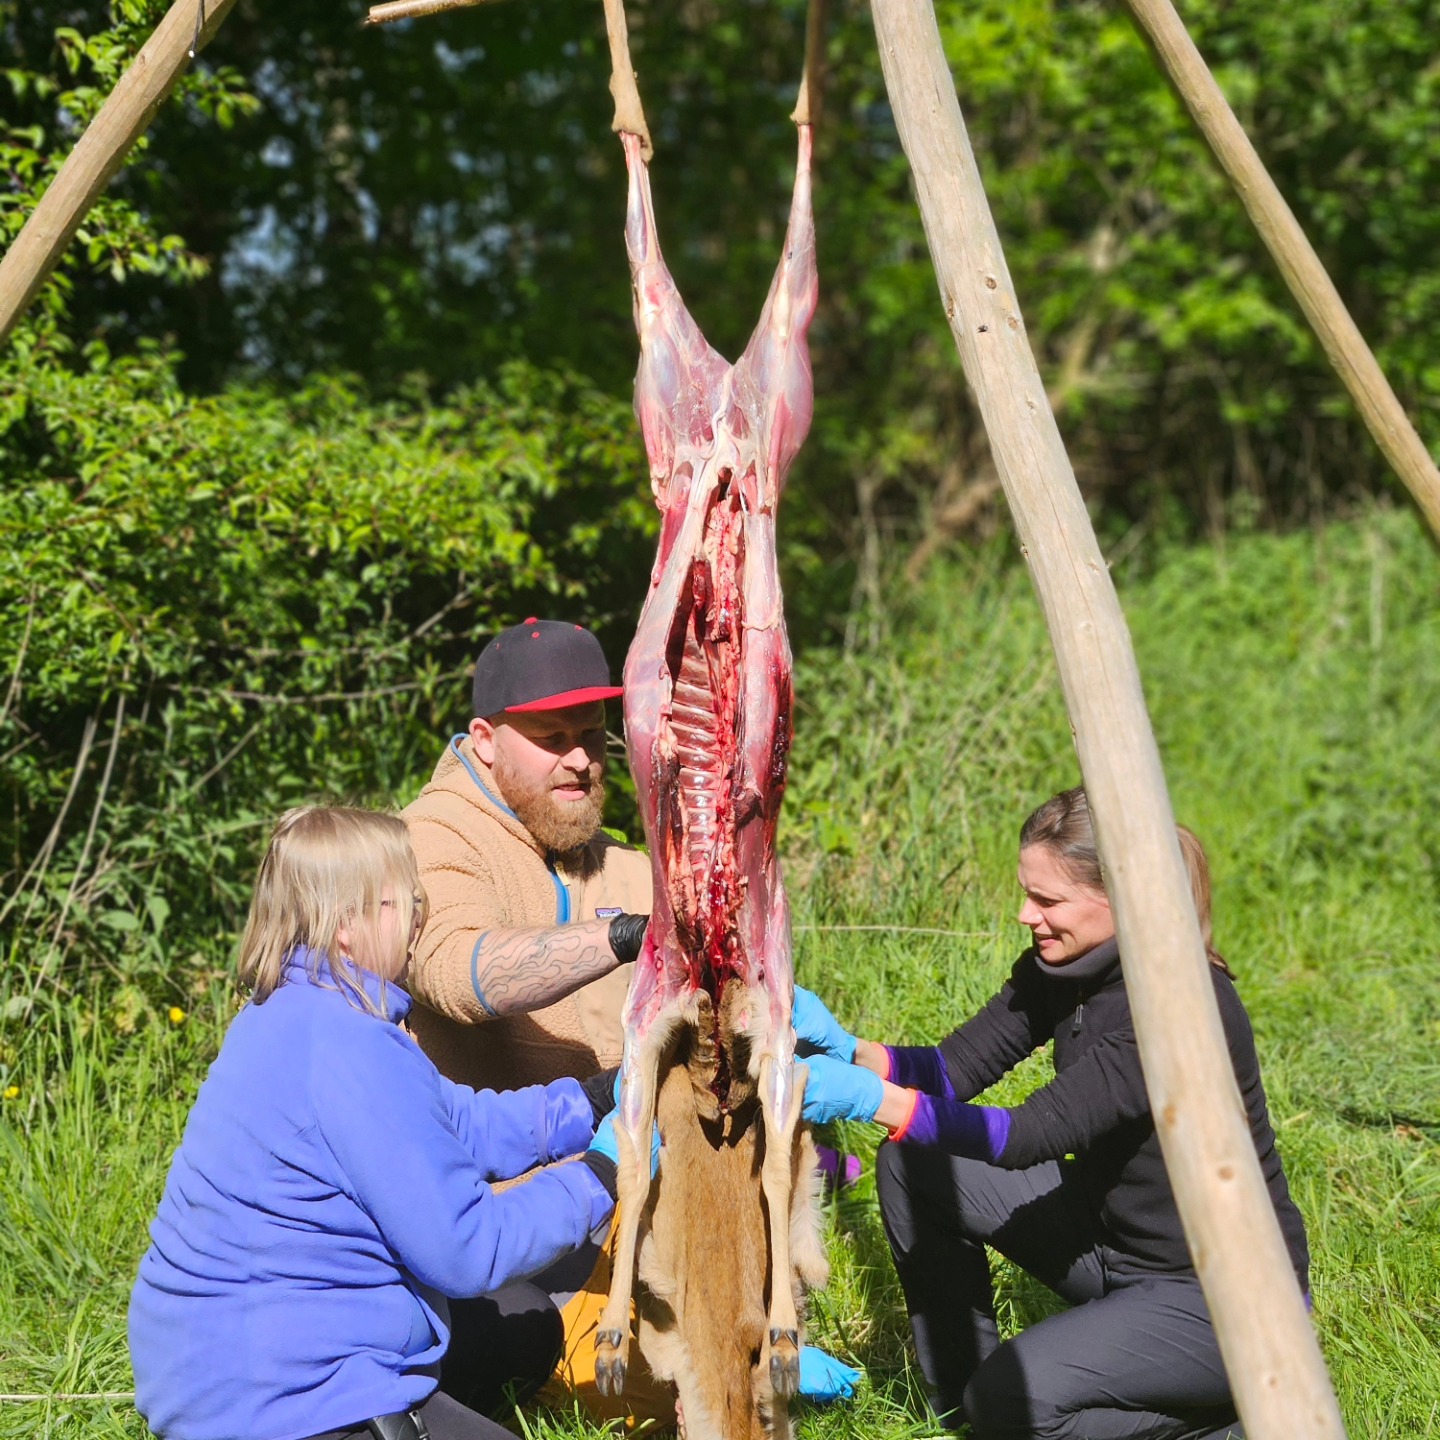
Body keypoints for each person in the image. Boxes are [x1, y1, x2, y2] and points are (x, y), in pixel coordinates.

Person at [794, 787, 1309, 1440]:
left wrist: (873, 1100)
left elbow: (1026, 1136)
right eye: (1026, 893)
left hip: (1225, 1300)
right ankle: (966, 1413)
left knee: (1018, 1397)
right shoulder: (1069, 967)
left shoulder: (1180, 1009)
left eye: (1046, 900)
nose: (1024, 914)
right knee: (913, 1161)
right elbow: (951, 1071)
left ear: (1120, 899)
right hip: (1113, 1245)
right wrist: (849, 1050)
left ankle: (1220, 1423)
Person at [128, 807, 629, 1440]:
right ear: (346, 927)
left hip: (204, 1366)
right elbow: (471, 1249)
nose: (422, 911)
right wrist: (605, 1175)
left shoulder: (288, 1011)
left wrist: (593, 1100)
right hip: (284, 1400)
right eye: (402, 899)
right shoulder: (352, 1050)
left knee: (523, 1326)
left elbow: (453, 1125)